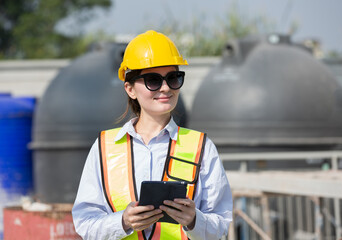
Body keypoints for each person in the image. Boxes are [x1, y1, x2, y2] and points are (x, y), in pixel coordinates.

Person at [72, 30, 232, 240]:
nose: (166, 88)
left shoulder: (201, 146)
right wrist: (123, 222)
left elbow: (221, 226)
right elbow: (85, 225)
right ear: (130, 89)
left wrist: (194, 220)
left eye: (173, 78)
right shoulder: (104, 147)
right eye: (153, 80)